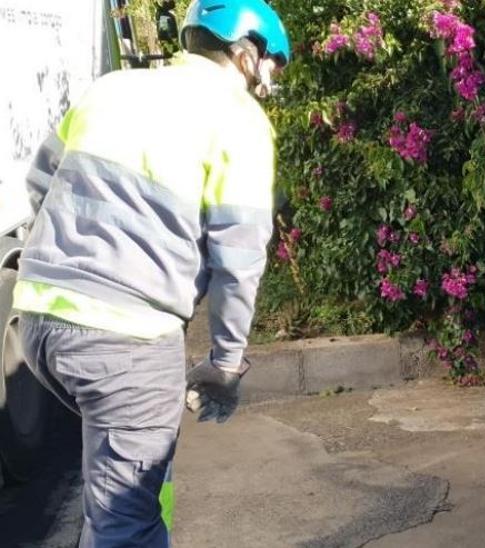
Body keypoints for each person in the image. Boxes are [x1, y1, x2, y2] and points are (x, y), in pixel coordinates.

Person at [14, 1, 289, 544]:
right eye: (272, 66)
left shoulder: (111, 88)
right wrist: (226, 364)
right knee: (126, 520)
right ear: (246, 54)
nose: (268, 82)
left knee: (123, 487)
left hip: (40, 322)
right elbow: (238, 261)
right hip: (126, 341)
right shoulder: (239, 122)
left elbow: (42, 182)